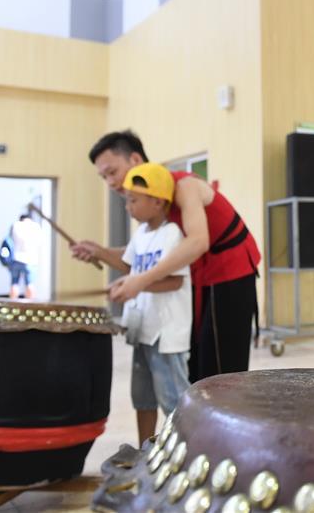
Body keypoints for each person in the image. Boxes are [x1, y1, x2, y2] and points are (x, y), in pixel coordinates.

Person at [71, 131, 260, 382]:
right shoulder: (148, 206)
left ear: (135, 160)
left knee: (222, 371)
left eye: (112, 172)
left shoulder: (183, 186)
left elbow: (198, 241)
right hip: (197, 278)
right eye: (104, 177)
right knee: (196, 367)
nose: (110, 182)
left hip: (229, 272)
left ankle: (223, 420)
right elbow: (143, 259)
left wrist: (141, 281)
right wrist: (100, 252)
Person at [94, 163, 192, 444]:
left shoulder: (173, 233)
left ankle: (183, 456)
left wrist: (136, 286)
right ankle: (145, 453)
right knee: (143, 399)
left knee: (173, 401)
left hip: (166, 335)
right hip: (142, 330)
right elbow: (130, 267)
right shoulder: (141, 235)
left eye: (134, 201)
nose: (128, 207)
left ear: (158, 201)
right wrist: (99, 253)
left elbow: (175, 281)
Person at [8, 212, 42, 299]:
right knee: (30, 283)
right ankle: (30, 304)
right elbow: (39, 242)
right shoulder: (35, 227)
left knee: (14, 283)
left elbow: (10, 240)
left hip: (16, 257)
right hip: (30, 259)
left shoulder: (16, 225)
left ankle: (12, 303)